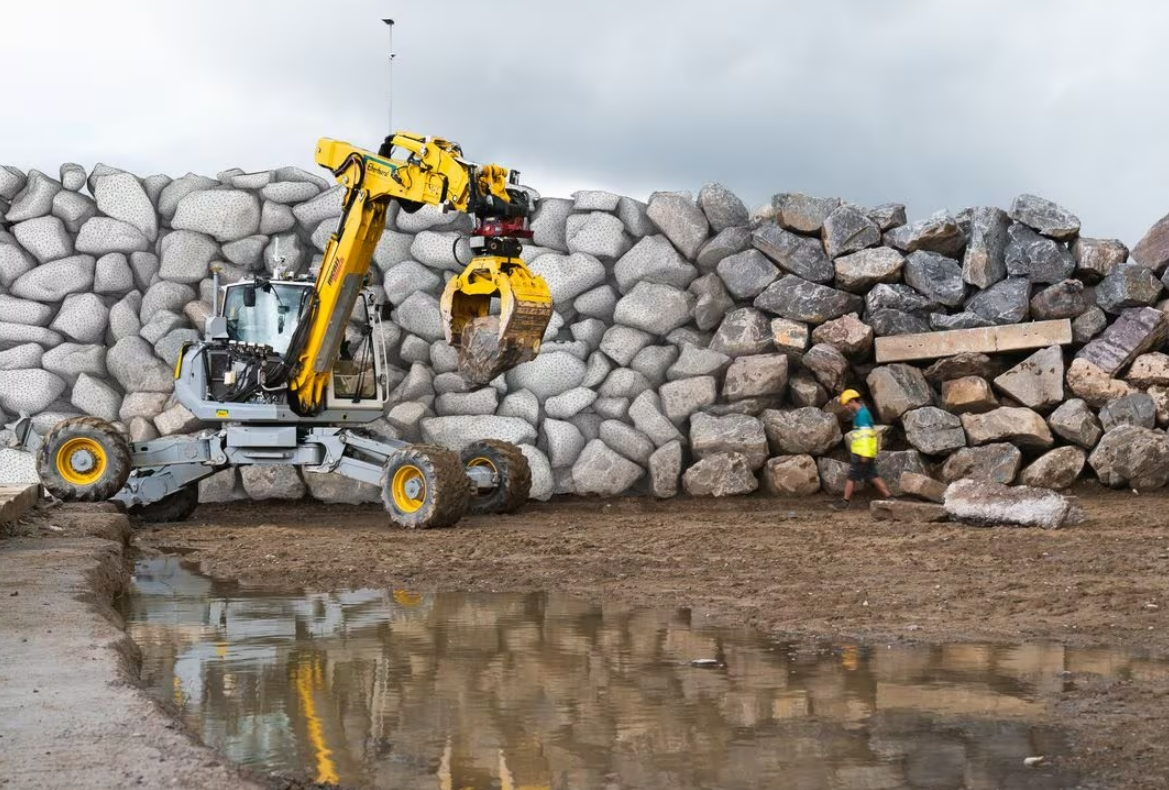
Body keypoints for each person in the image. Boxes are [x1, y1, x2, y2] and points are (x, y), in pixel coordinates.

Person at [831, 389, 893, 510]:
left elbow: (865, 436)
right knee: (872, 476)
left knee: (851, 477)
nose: (847, 407)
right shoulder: (862, 414)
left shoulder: (862, 416)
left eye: (847, 404)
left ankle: (844, 502)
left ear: (853, 401)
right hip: (865, 452)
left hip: (861, 453)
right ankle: (890, 497)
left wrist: (864, 455)